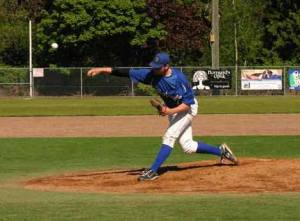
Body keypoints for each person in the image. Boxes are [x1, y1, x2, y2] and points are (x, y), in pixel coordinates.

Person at [87, 52, 238, 181]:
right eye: (153, 66)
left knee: (169, 136)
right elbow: (125, 72)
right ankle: (221, 151)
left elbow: (188, 103)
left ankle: (153, 171)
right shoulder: (151, 74)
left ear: (166, 67)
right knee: (188, 146)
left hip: (187, 108)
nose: (154, 69)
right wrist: (101, 69)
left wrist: (169, 111)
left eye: (157, 67)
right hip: (173, 109)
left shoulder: (179, 79)